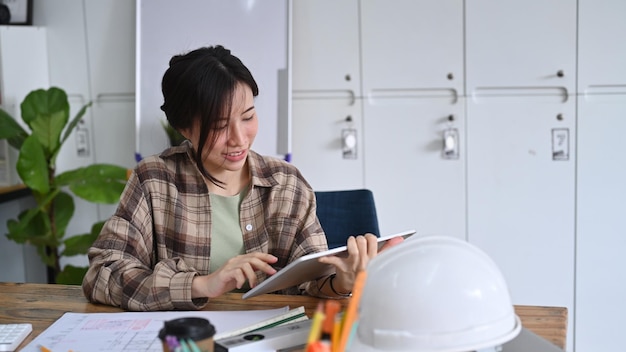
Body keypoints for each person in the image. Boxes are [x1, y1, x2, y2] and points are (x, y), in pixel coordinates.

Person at [82, 45, 402, 311]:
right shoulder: (154, 181)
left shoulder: (286, 184)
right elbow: (102, 274)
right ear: (184, 128)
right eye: (220, 126)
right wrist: (201, 284)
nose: (239, 139)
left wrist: (341, 282)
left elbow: (313, 281)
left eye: (248, 117)